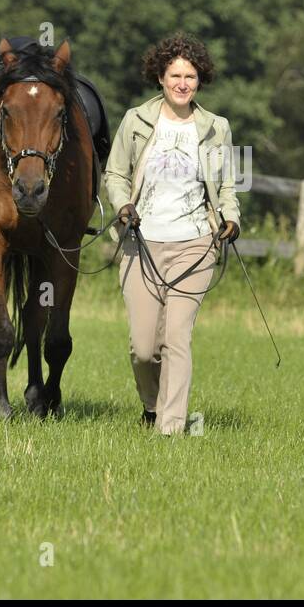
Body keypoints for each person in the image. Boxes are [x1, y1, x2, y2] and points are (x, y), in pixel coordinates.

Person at [103, 33, 241, 436]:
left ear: (200, 80)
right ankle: (151, 406)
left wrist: (230, 220)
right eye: (175, 75)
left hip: (195, 244)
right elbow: (115, 174)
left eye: (191, 76)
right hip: (140, 244)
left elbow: (228, 187)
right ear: (160, 78)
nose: (183, 83)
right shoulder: (136, 120)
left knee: (177, 338)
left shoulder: (216, 127)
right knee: (144, 348)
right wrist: (122, 206)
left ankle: (171, 428)